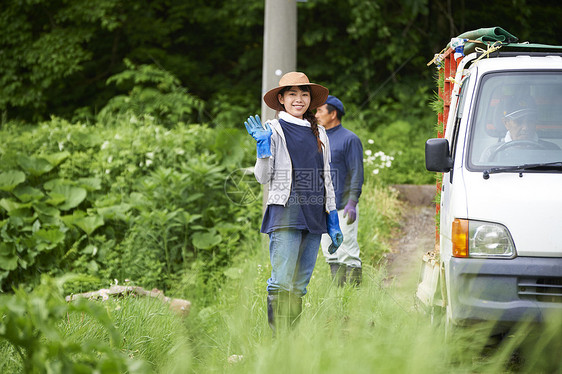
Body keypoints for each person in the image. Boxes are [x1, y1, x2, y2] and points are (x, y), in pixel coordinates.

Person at [243, 72, 343, 333]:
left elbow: (326, 179)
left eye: (304, 94)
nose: (299, 99)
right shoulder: (272, 130)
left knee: (299, 286)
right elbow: (262, 178)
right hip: (285, 213)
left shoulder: (319, 131)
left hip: (314, 216)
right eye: (292, 94)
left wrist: (333, 219)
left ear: (310, 99)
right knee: (281, 283)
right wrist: (262, 151)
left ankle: (292, 348)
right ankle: (280, 346)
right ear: (281, 99)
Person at [315, 95, 364, 286]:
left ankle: (354, 298)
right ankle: (339, 297)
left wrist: (353, 202)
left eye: (319, 110)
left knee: (347, 252)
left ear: (333, 113)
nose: (316, 114)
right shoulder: (318, 139)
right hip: (323, 208)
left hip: (343, 207)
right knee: (330, 253)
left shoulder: (349, 139)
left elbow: (357, 172)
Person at [481, 96, 559, 161]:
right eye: (519, 121)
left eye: (530, 121)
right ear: (506, 123)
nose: (525, 127)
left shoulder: (553, 151)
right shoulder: (491, 154)